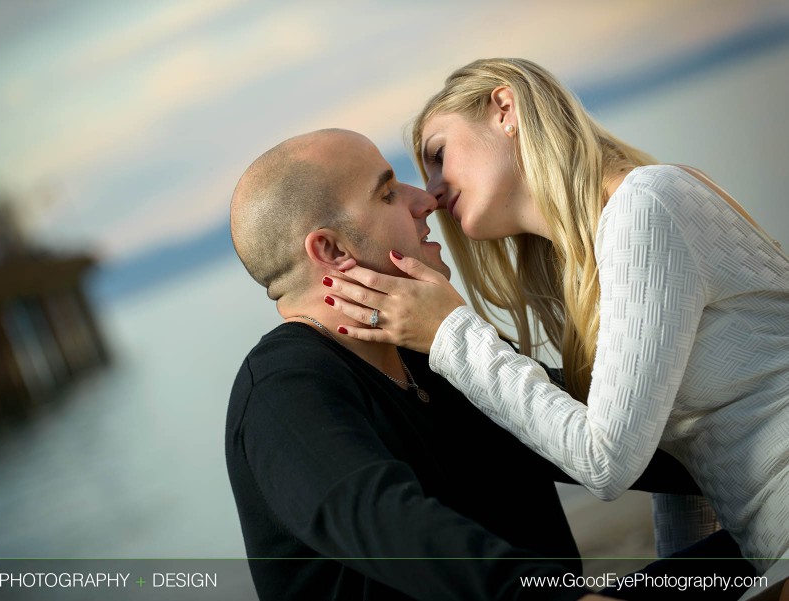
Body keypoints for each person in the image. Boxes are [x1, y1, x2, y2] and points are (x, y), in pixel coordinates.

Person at [319, 58, 789, 599]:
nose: (430, 192)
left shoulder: (645, 206)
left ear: (504, 110)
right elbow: (683, 469)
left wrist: (450, 331)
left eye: (438, 155)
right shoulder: (598, 257)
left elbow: (605, 461)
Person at [226, 128, 754, 601]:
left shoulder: (429, 351)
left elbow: (617, 438)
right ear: (332, 250)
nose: (424, 199)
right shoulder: (284, 390)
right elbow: (387, 522)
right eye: (388, 193)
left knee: (760, 553)